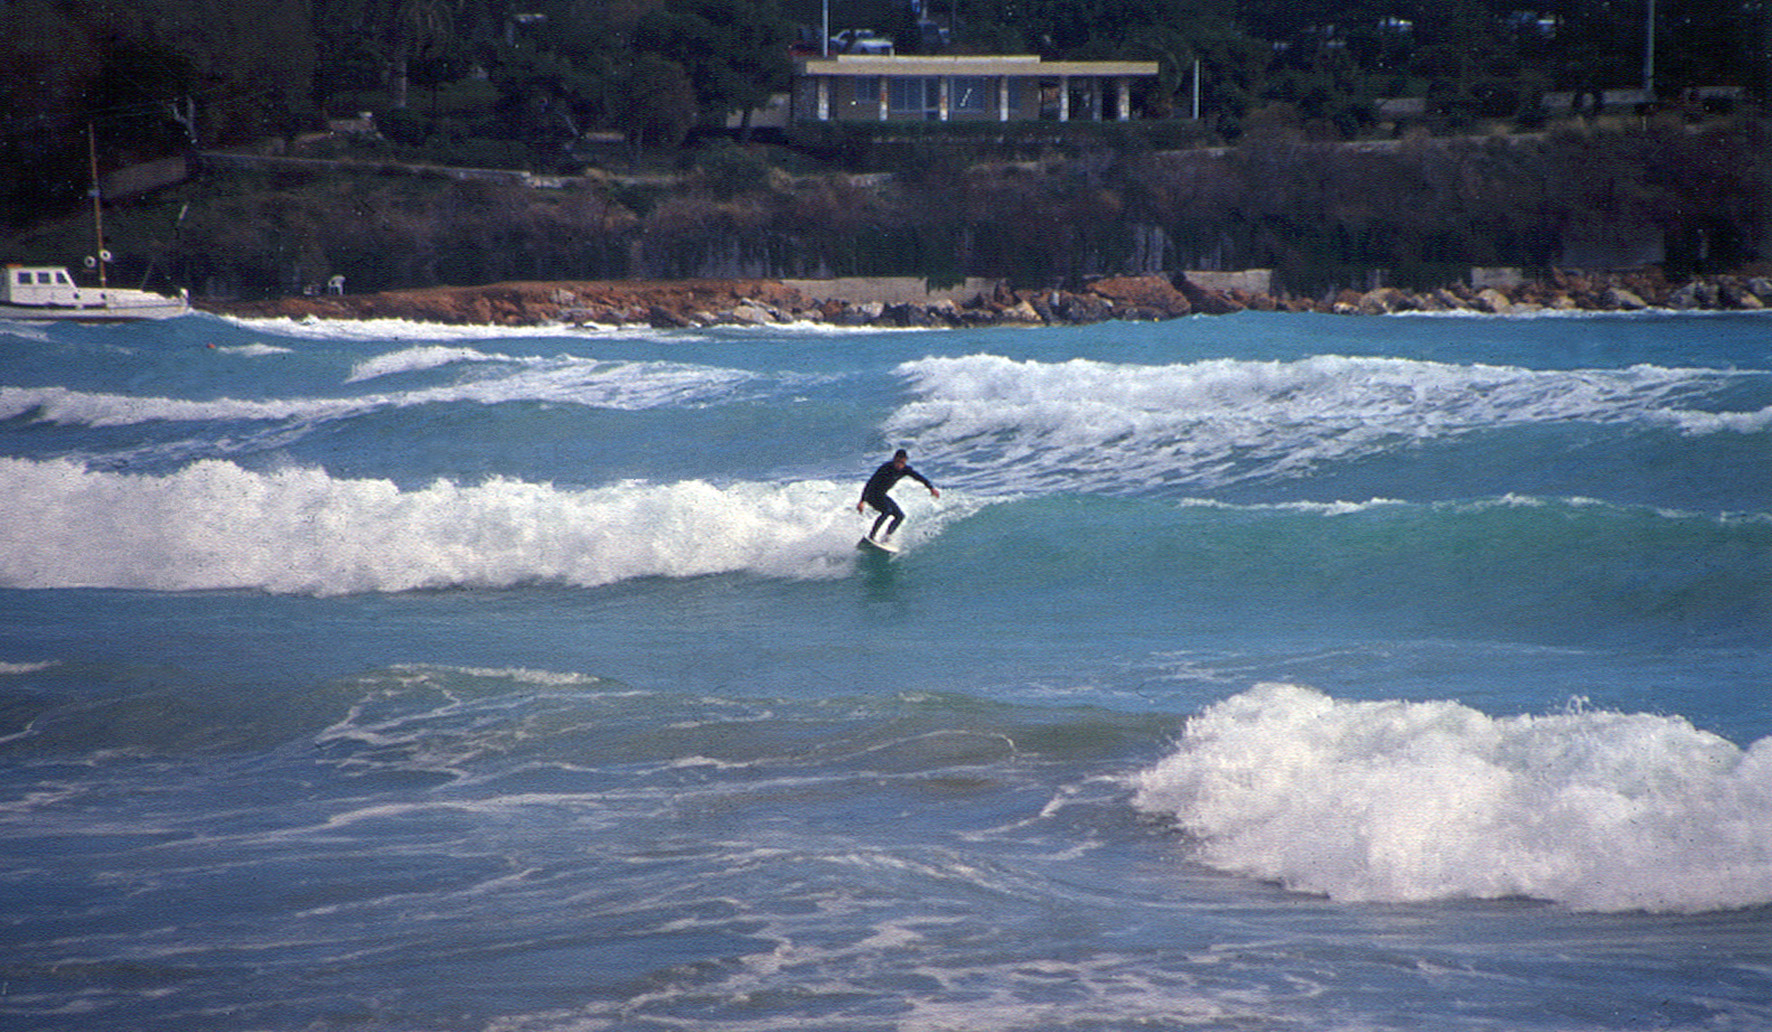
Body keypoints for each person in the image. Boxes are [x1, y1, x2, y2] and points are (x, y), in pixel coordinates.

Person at [857, 448, 940, 543]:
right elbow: (870, 483)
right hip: (871, 495)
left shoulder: (905, 470)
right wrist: (862, 501)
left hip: (882, 495)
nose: (899, 465)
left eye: (902, 462)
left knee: (900, 516)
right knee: (887, 511)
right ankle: (871, 536)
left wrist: (931, 488)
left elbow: (919, 477)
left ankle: (886, 537)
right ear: (894, 459)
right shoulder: (885, 468)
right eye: (898, 461)